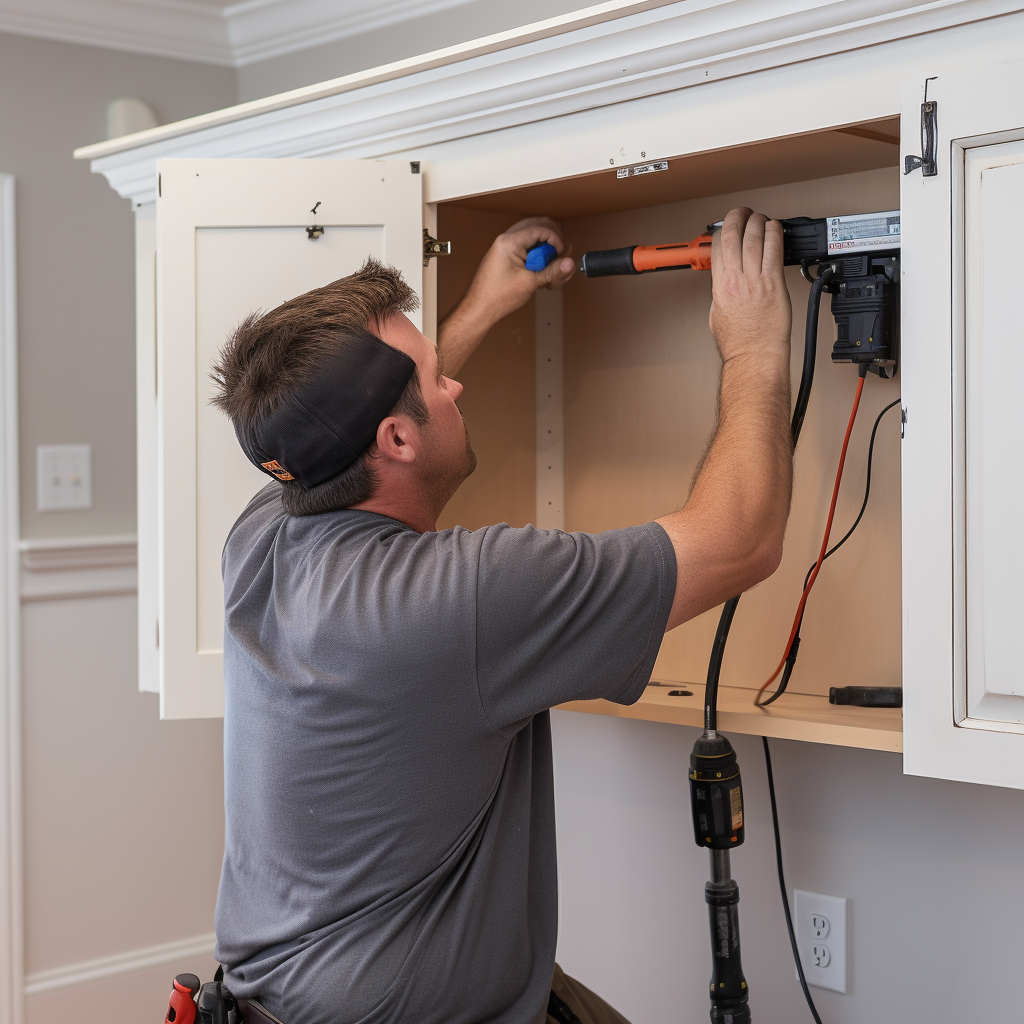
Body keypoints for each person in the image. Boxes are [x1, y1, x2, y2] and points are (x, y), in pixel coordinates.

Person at [210, 208, 793, 1024]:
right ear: (397, 437)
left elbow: (366, 424)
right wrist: (755, 347)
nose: (454, 382)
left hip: (270, 999)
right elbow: (742, 541)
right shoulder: (467, 599)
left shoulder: (265, 533)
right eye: (433, 373)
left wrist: (483, 307)